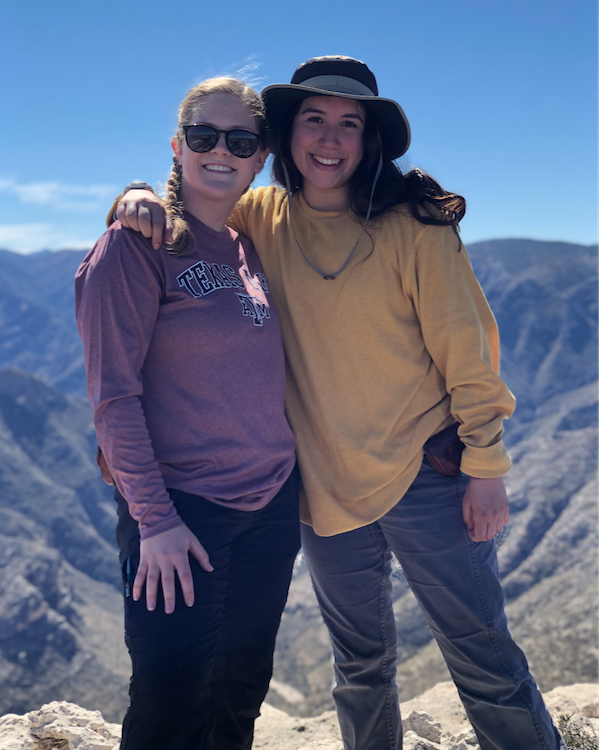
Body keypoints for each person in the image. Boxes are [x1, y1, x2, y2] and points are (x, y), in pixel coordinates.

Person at [109, 57, 567, 750]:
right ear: (286, 139)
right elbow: (194, 197)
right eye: (314, 121)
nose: (330, 139)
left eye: (348, 124)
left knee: (481, 657)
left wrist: (488, 464)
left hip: (428, 477)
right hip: (323, 489)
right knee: (358, 666)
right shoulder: (259, 217)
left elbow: (467, 352)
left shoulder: (416, 226)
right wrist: (136, 193)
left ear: (369, 138)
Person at [75, 77, 299, 750]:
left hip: (270, 509)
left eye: (240, 140)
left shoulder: (248, 243)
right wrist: (155, 520)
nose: (220, 151)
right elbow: (113, 396)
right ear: (178, 147)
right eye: (204, 136)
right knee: (171, 703)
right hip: (184, 513)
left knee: (240, 691)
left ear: (261, 157)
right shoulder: (134, 246)